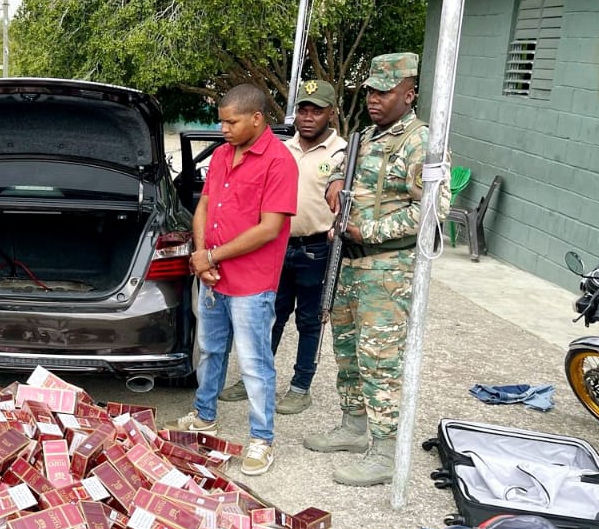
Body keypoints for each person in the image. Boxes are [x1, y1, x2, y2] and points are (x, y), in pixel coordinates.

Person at [302, 52, 449, 486]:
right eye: (370, 90)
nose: (374, 99)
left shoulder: (420, 141)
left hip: (387, 272)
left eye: (384, 92)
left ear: (409, 94)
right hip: (348, 265)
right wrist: (334, 181)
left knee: (380, 361)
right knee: (346, 352)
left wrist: (368, 229)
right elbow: (348, 177)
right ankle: (353, 426)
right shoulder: (365, 136)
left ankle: (386, 452)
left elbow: (433, 211)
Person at [163, 84, 299, 476]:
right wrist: (202, 256)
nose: (223, 128)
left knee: (255, 362)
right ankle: (205, 415)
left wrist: (212, 256)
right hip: (213, 277)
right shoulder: (223, 155)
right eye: (221, 121)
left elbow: (270, 228)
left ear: (256, 118)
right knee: (209, 350)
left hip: (251, 282)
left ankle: (261, 440)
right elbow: (204, 205)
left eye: (230, 121)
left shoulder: (278, 161)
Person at [220, 79, 346, 415]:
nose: (308, 117)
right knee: (267, 319)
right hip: (274, 249)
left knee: (309, 321)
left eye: (316, 110)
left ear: (330, 113)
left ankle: (300, 386)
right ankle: (251, 379)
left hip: (316, 249)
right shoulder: (281, 148)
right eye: (303, 109)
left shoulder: (343, 154)